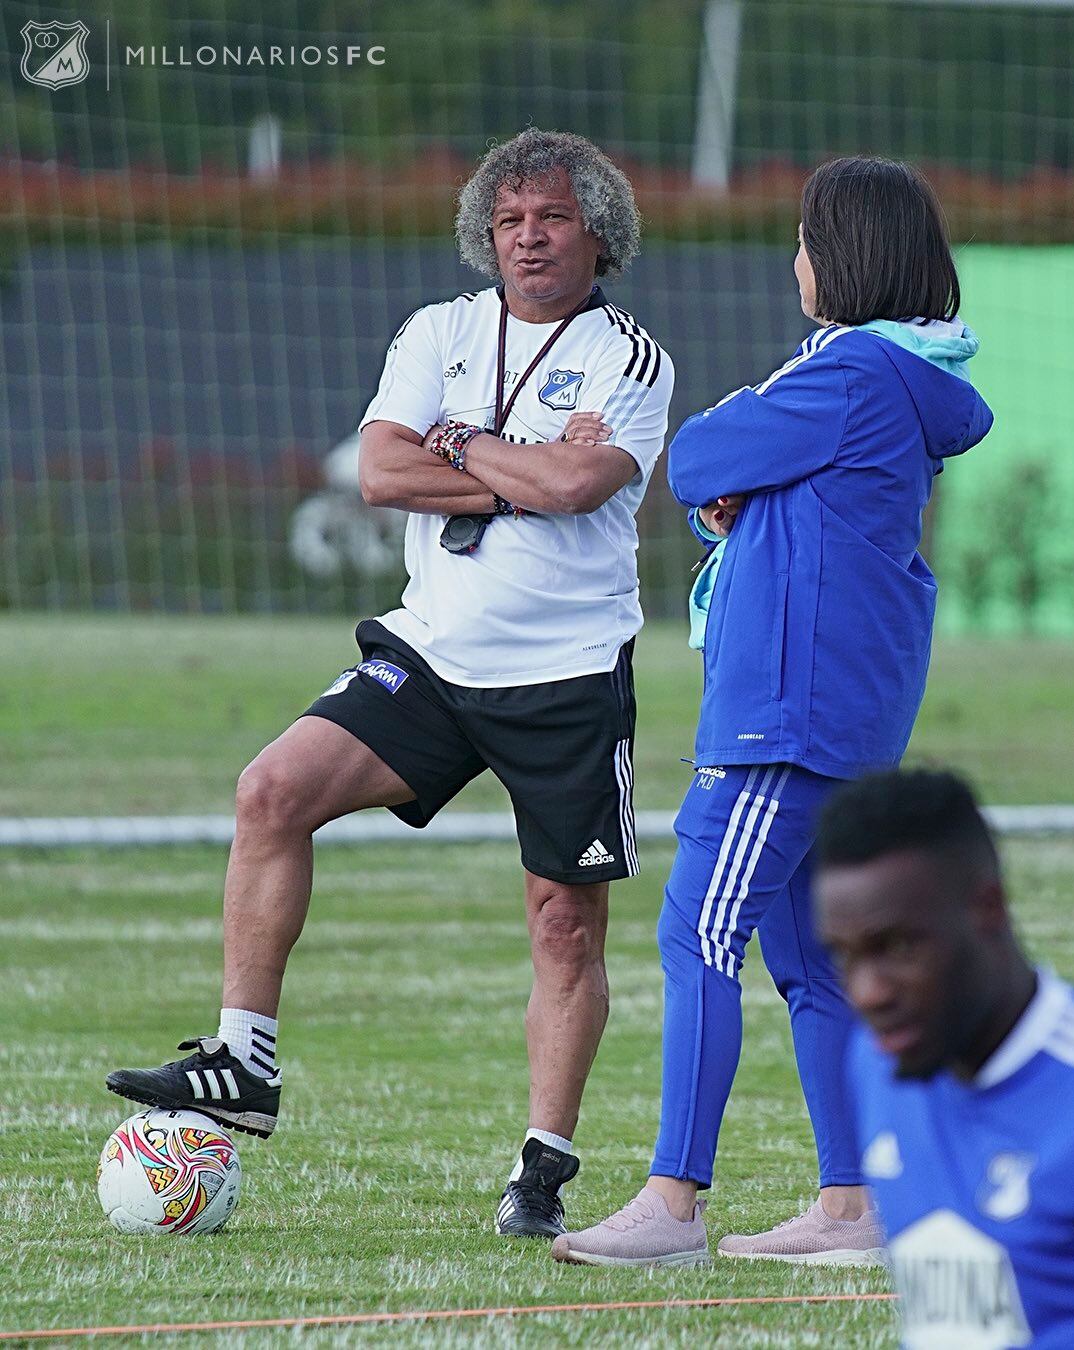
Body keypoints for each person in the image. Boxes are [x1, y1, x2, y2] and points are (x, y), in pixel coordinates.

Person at [105, 127, 674, 1240]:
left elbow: (580, 486)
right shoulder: (438, 331)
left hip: (565, 676)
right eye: (508, 222)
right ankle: (243, 1062)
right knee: (272, 790)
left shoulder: (631, 356)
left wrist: (458, 448)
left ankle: (543, 1167)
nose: (528, 238)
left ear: (597, 233)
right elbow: (379, 470)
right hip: (432, 651)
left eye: (551, 218)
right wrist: (512, 465)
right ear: (484, 236)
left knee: (565, 927)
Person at [553, 156, 993, 1267]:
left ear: (840, 254)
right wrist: (737, 494)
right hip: (840, 712)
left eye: (803, 238)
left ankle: (673, 1201)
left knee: (697, 930)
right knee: (810, 960)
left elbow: (696, 453)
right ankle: (852, 1207)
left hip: (783, 716)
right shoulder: (891, 378)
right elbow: (753, 504)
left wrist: (731, 456)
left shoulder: (845, 374)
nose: (792, 258)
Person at [817, 769, 1074, 1349]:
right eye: (844, 955)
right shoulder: (878, 1060)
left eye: (899, 947)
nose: (868, 993)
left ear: (987, 908)